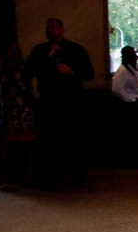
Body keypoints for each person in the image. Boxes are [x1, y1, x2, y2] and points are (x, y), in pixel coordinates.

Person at [25, 17, 95, 189]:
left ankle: (77, 180)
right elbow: (27, 71)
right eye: (47, 28)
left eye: (53, 27)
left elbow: (89, 74)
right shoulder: (39, 50)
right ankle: (50, 179)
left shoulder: (75, 49)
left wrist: (72, 71)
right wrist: (48, 58)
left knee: (75, 141)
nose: (49, 30)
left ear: (62, 29)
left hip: (71, 102)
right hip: (48, 102)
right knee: (49, 143)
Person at [0, 43, 37, 188]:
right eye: (11, 49)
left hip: (25, 109)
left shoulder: (25, 68)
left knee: (30, 142)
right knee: (2, 143)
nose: (14, 52)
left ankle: (29, 175)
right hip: (7, 110)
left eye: (16, 49)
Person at [111, 46, 138, 169]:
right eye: (132, 55)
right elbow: (116, 89)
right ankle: (131, 161)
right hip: (130, 105)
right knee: (132, 134)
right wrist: (131, 98)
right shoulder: (122, 71)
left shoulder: (136, 67)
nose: (135, 57)